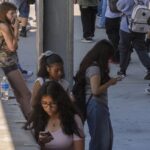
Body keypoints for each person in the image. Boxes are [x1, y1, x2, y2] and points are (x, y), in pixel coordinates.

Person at [74, 39, 121, 150]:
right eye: (108, 56)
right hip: (96, 105)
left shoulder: (91, 65)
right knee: (101, 139)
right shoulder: (95, 69)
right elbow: (95, 91)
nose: (109, 60)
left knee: (105, 137)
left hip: (97, 105)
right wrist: (110, 82)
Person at [25, 81, 84, 150]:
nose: (49, 107)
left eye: (52, 103)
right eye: (44, 103)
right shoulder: (37, 118)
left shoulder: (74, 119)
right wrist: (41, 144)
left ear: (60, 101)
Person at [0, 2, 31, 118]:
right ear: (4, 13)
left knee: (19, 95)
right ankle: (31, 122)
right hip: (7, 63)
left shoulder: (4, 25)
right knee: (26, 95)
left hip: (7, 62)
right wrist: (17, 30)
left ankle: (27, 121)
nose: (14, 16)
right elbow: (13, 47)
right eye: (11, 13)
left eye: (15, 13)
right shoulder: (4, 26)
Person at [117, 0, 150, 80]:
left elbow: (118, 6)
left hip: (126, 27)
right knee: (141, 50)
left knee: (124, 49)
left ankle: (122, 71)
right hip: (140, 27)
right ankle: (149, 68)